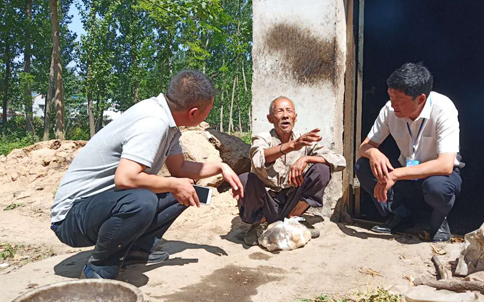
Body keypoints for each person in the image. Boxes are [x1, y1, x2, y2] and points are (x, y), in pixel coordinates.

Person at [50, 70, 244, 279]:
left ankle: (137, 249)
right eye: (209, 110)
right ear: (193, 113)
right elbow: (125, 178)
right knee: (143, 201)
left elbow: (179, 169)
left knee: (187, 189)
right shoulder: (153, 122)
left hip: (99, 206)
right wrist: (174, 185)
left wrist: (220, 167)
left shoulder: (169, 123)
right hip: (71, 219)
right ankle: (99, 270)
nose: (209, 114)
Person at [354, 63, 463, 242]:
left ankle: (439, 220)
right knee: (363, 165)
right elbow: (363, 147)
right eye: (390, 97)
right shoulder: (389, 109)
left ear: (420, 99)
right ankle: (400, 214)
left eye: (399, 101)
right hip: (406, 172)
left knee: (437, 188)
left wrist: (395, 174)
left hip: (435, 175)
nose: (393, 105)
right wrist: (373, 152)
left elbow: (445, 165)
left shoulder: (443, 108)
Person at [238, 96, 346, 246]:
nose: (285, 115)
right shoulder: (263, 138)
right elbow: (258, 159)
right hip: (266, 204)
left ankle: (294, 218)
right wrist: (291, 146)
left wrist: (307, 159)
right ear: (270, 118)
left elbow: (340, 161)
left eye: (289, 111)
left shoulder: (304, 141)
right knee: (245, 179)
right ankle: (259, 224)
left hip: (291, 202)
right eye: (279, 111)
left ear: (295, 117)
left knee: (322, 169)